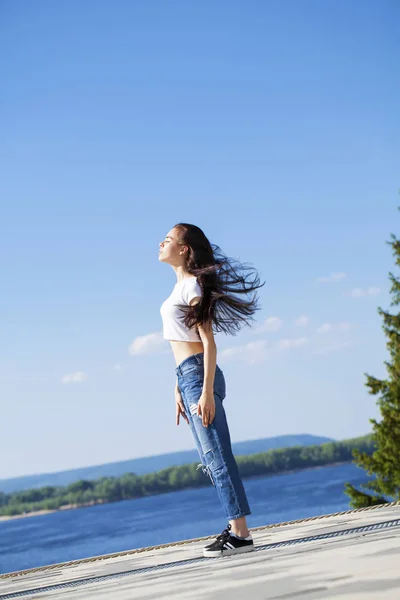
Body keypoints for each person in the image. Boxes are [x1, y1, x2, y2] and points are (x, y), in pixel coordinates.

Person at [159, 223, 264, 557]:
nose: (161, 245)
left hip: (198, 374)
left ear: (184, 249)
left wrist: (204, 391)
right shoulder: (180, 289)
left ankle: (242, 534)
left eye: (168, 240)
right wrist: (178, 386)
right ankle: (235, 528)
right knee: (210, 457)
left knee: (217, 456)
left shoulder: (192, 286)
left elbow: (208, 344)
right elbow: (181, 343)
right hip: (187, 376)